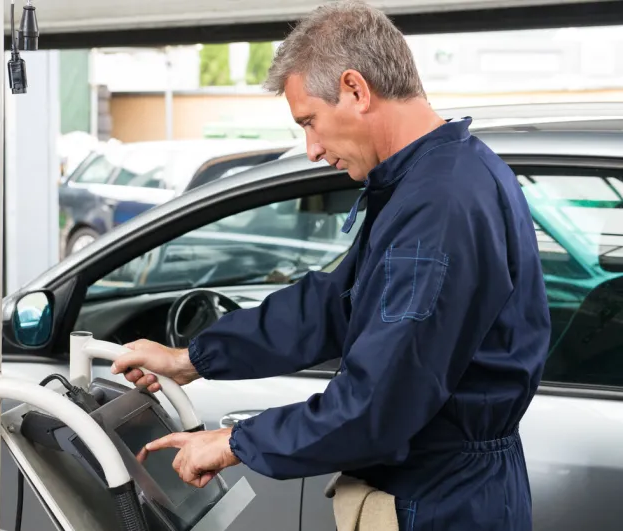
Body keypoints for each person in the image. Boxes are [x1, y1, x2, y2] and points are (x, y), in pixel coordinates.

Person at [111, 1, 551, 528]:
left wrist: (234, 441)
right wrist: (194, 358)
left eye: (310, 122)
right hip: (446, 489)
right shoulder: (433, 180)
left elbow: (378, 404)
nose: (312, 149)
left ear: (356, 89)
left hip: (438, 501)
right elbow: (335, 304)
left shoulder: (439, 205)